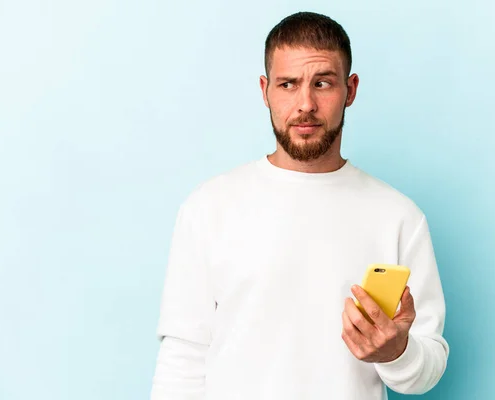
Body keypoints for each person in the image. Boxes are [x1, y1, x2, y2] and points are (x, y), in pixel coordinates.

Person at [150, 11, 449, 400]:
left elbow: (428, 366)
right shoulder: (208, 207)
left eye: (322, 83)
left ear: (350, 89)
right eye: (288, 84)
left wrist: (397, 353)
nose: (305, 103)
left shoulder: (398, 216)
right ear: (265, 90)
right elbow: (182, 358)